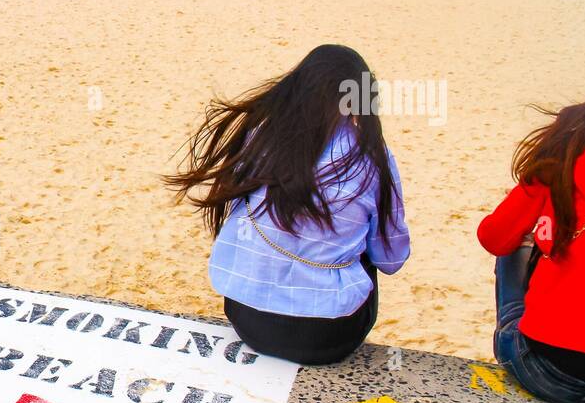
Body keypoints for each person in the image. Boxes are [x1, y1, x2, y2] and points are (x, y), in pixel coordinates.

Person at [164, 44, 410, 364]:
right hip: (329, 337)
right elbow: (391, 259)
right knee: (363, 245)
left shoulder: (261, 136)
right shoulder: (373, 159)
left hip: (247, 319)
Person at [478, 93, 585, 403]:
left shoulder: (561, 159)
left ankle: (512, 329)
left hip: (547, 371)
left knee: (514, 245)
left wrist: (534, 202)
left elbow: (493, 237)